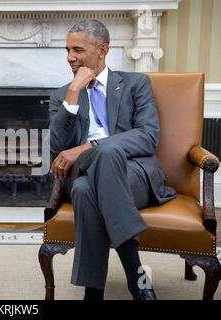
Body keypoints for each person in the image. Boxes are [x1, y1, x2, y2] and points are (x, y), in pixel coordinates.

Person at [49, 20, 176, 300]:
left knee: (87, 187)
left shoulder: (135, 84)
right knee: (90, 175)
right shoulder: (61, 95)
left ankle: (93, 292)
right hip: (85, 172)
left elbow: (147, 136)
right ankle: (137, 277)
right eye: (67, 50)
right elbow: (58, 150)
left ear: (102, 50)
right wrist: (73, 94)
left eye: (78, 49)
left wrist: (89, 147)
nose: (70, 57)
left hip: (134, 175)